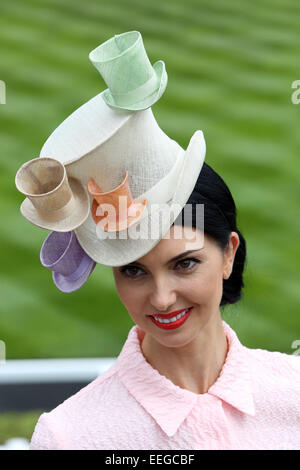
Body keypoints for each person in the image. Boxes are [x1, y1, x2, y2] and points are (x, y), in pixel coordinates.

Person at [15, 31, 300, 450]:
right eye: (134, 270)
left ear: (228, 254)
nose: (162, 298)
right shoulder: (70, 436)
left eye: (184, 263)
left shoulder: (292, 394)